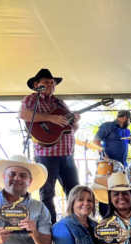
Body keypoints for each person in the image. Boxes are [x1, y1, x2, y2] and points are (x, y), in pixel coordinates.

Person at [18, 68, 80, 223]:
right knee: (47, 193)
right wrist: (51, 118)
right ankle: (49, 227)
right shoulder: (32, 99)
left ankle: (76, 224)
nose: (51, 84)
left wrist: (75, 122)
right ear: (36, 84)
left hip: (67, 154)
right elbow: (23, 114)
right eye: (46, 82)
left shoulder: (60, 102)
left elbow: (70, 129)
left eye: (52, 82)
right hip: (47, 156)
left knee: (75, 192)